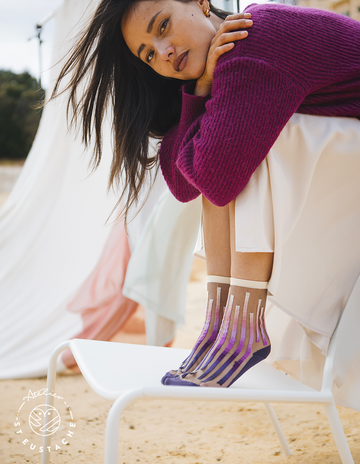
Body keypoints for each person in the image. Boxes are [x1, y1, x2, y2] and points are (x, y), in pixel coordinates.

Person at [51, 0, 360, 388]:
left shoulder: (251, 34)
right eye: (149, 54)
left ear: (199, 1)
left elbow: (213, 180)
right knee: (226, 145)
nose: (163, 53)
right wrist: (200, 89)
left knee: (234, 153)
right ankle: (221, 325)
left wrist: (206, 93)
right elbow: (183, 186)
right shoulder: (218, 66)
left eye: (162, 26)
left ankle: (240, 324)